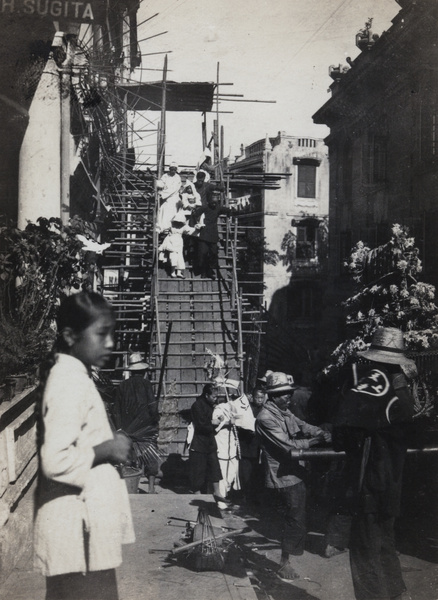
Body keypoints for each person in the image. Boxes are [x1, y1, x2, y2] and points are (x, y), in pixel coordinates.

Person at [34, 291, 135, 600]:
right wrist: (108, 449)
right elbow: (55, 459)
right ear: (70, 335)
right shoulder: (69, 382)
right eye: (101, 334)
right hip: (78, 535)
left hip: (82, 536)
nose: (110, 343)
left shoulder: (75, 375)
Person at [333, 327, 416, 600]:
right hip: (393, 483)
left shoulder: (368, 389)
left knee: (364, 548)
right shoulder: (402, 393)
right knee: (385, 545)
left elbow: (342, 434)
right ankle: (396, 596)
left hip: (368, 481)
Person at [255, 371, 331, 581]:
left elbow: (302, 425)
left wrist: (319, 432)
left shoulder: (284, 412)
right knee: (291, 519)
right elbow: (288, 447)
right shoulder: (265, 418)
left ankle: (286, 559)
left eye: (289, 392)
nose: (288, 396)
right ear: (272, 395)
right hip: (281, 478)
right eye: (283, 394)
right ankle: (283, 563)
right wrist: (316, 442)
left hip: (295, 473)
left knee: (297, 517)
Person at [112, 352, 160, 494]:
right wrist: (156, 420)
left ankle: (129, 486)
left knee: (128, 457)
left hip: (127, 428)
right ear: (144, 371)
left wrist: (120, 427)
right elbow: (152, 407)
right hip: (145, 427)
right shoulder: (146, 385)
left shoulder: (122, 386)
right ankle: (151, 488)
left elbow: (116, 410)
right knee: (150, 454)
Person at [189, 383, 225, 504]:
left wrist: (220, 420)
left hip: (210, 442)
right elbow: (200, 425)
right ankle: (197, 493)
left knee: (215, 467)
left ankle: (217, 492)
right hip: (199, 443)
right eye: (214, 396)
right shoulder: (197, 405)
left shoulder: (211, 405)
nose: (215, 399)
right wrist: (212, 422)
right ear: (206, 395)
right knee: (198, 471)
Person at [192, 192, 234, 279]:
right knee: (202, 254)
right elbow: (195, 214)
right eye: (213, 200)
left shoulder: (218, 208)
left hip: (213, 235)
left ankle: (209, 270)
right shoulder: (204, 207)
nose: (214, 202)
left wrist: (230, 215)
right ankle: (203, 272)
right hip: (203, 234)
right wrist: (197, 224)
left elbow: (227, 210)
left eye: (216, 200)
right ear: (209, 200)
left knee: (214, 253)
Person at [238, 387, 265, 505]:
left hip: (259, 447)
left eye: (261, 398)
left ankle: (255, 498)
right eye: (257, 398)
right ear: (252, 398)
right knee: (245, 474)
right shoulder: (247, 409)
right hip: (247, 446)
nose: (259, 400)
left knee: (257, 474)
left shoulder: (265, 411)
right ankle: (245, 496)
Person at [158, 212, 197, 278]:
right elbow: (163, 228)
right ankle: (172, 272)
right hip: (171, 241)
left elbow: (190, 230)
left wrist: (197, 228)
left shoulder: (184, 226)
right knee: (173, 256)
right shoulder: (171, 225)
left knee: (180, 256)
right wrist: (160, 229)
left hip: (179, 241)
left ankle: (179, 272)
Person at [156, 162, 182, 232]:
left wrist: (162, 194)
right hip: (166, 198)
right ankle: (163, 227)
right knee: (162, 210)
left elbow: (174, 189)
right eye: (171, 169)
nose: (173, 171)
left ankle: (168, 227)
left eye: (174, 169)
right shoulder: (165, 176)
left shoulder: (177, 178)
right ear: (169, 169)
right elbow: (161, 183)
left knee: (170, 210)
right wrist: (157, 183)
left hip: (173, 197)